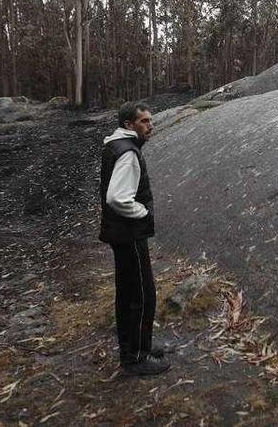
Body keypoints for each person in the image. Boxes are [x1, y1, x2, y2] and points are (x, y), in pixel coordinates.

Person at [98, 101, 169, 376]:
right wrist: (141, 212)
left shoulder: (114, 146)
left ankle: (139, 346)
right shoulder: (127, 152)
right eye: (144, 121)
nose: (150, 125)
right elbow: (116, 197)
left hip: (120, 232)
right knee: (141, 294)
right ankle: (136, 358)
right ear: (129, 125)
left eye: (150, 120)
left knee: (128, 293)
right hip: (129, 232)